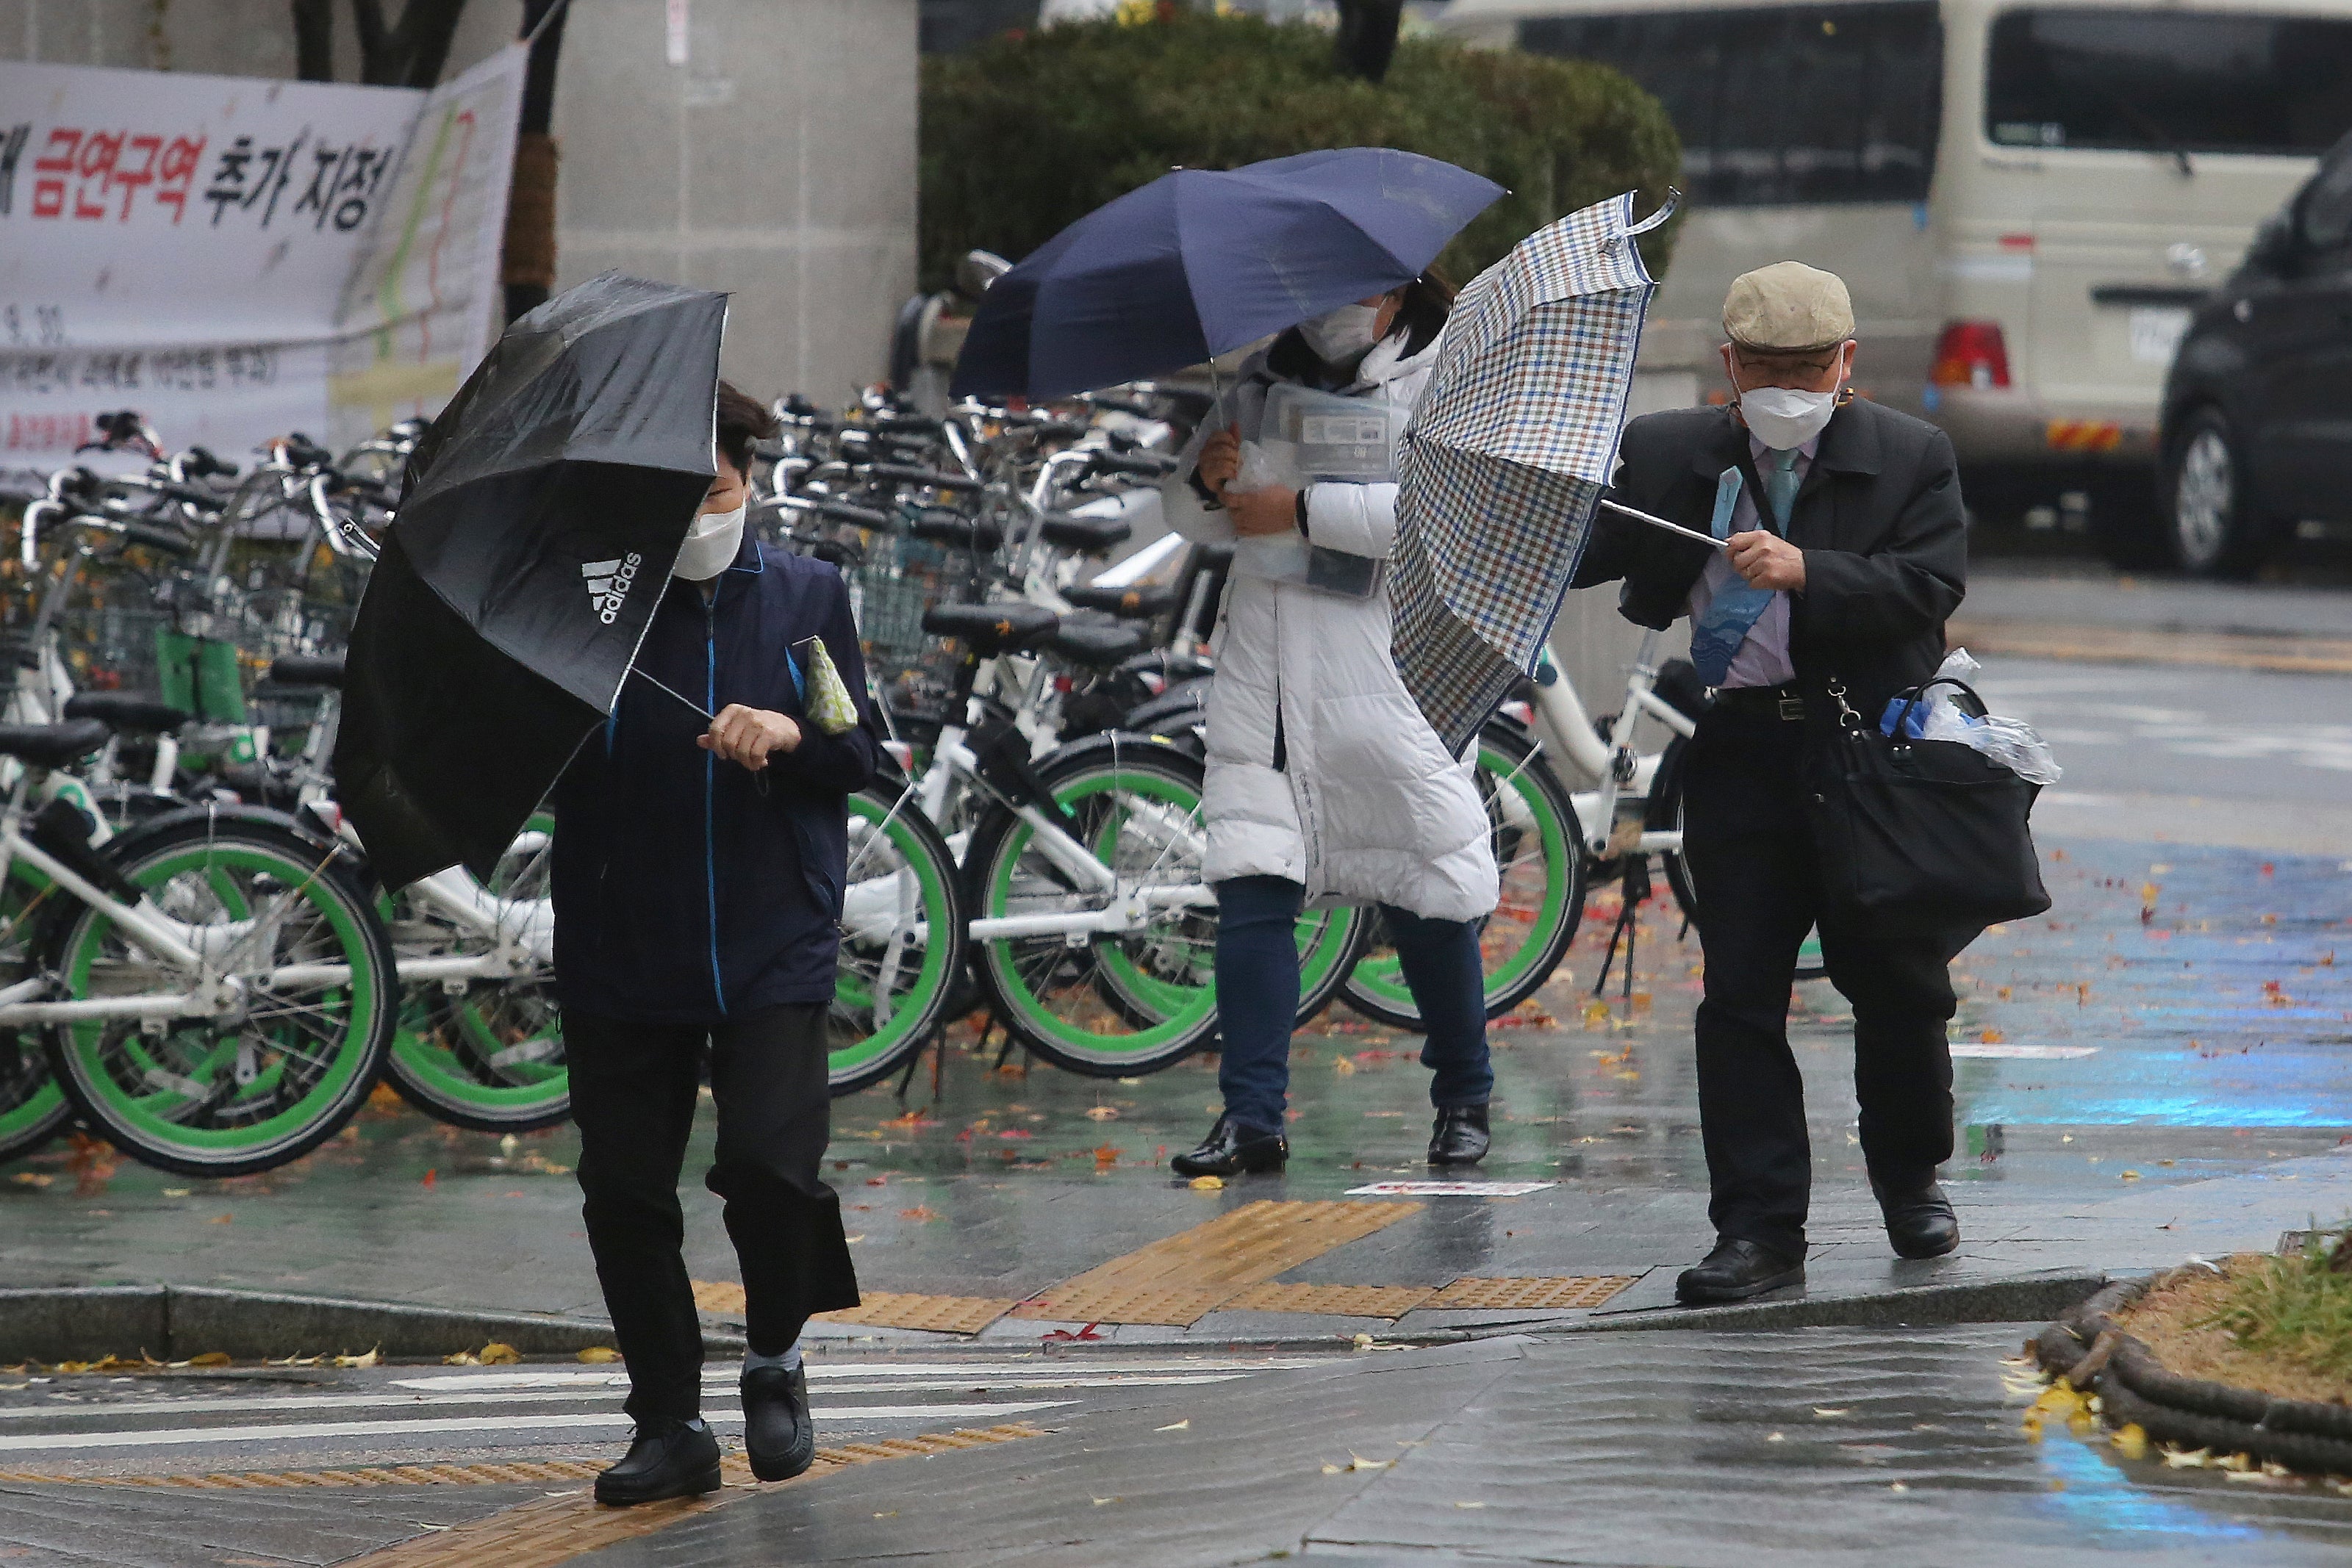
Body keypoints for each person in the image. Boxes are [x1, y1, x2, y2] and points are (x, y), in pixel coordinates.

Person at [1572, 262, 1971, 1303]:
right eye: (1765, 368)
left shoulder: (1909, 457)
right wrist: (1552, 492)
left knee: (1893, 980)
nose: (1785, 386)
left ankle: (1910, 1174)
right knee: (1739, 993)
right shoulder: (1668, 452)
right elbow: (1584, 551)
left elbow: (1931, 585)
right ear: (1728, 367)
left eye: (1807, 367)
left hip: (1871, 752)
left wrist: (1810, 571)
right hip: (1742, 747)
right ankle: (1756, 1227)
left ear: (1848, 365)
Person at [550, 381, 876, 1504]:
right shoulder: (586, 617)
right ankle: (669, 1421)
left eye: (718, 485)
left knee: (771, 1172)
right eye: (671, 494)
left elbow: (854, 747)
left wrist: (790, 730)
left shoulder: (803, 598)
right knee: (627, 1192)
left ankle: (776, 1356)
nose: (698, 508)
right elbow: (537, 772)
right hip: (619, 940)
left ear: (750, 475)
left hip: (770, 935)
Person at [1161, 279, 1502, 1177]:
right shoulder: (1258, 378)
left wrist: (1301, 511)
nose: (1333, 307)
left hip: (1384, 673)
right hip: (1265, 674)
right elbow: (1186, 514)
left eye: (1359, 289)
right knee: (1251, 882)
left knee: (1423, 884)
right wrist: (1208, 480)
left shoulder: (1446, 377)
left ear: (1399, 292)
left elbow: (1445, 520)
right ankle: (1250, 1117)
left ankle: (1464, 1092)